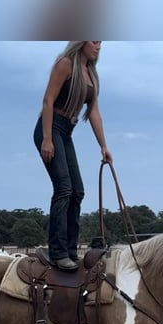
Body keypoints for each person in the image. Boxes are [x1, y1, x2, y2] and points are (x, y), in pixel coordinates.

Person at [33, 41, 113, 271]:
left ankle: (70, 250)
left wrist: (104, 146)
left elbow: (94, 113)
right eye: (94, 41)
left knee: (78, 191)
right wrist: (47, 139)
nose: (99, 46)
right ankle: (57, 252)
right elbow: (48, 100)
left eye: (101, 42)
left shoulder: (91, 74)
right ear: (81, 42)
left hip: (67, 131)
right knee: (64, 189)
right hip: (50, 127)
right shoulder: (66, 64)